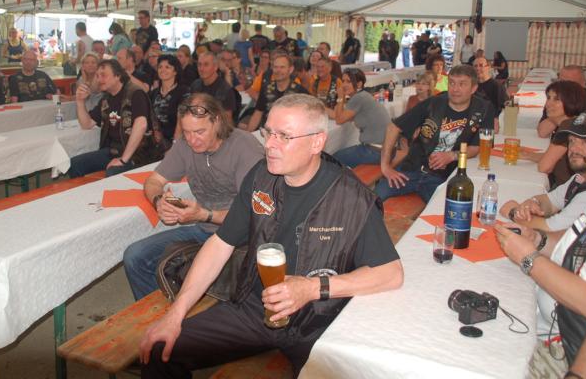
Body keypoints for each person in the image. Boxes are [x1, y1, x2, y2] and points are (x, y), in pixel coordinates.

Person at [139, 94, 404, 377]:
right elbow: (220, 243)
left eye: (284, 136)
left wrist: (311, 288)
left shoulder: (351, 197)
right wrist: (175, 314)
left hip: (318, 321)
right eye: (268, 133)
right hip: (256, 308)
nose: (269, 145)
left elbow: (391, 274)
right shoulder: (261, 177)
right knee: (159, 351)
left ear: (317, 142)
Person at [494, 99, 586, 379]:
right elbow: (577, 244)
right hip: (546, 323)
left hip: (564, 347)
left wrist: (528, 258)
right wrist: (537, 239)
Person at [123, 93, 264, 300]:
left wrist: (204, 214)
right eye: (186, 132)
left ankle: (182, 308)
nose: (191, 140)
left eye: (199, 132)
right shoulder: (184, 145)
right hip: (205, 228)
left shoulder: (244, 147)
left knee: (197, 273)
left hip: (242, 235)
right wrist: (158, 201)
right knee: (135, 256)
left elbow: (253, 214)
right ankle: (161, 310)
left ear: (217, 121)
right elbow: (153, 182)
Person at [375, 65, 494, 203]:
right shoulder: (433, 103)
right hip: (411, 170)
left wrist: (452, 156)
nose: (455, 89)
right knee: (374, 198)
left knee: (446, 208)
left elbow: (476, 147)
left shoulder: (484, 109)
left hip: (442, 178)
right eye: (452, 83)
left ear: (473, 88)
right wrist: (385, 167)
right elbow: (393, 127)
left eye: (462, 84)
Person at [500, 113, 586, 231]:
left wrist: (513, 212)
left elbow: (552, 228)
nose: (573, 148)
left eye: (584, 142)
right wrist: (532, 203)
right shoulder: (580, 178)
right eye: (571, 141)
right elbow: (551, 202)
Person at [70, 59, 162, 177]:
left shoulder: (135, 93)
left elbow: (141, 125)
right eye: (97, 76)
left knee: (112, 172)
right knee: (75, 164)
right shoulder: (106, 99)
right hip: (113, 151)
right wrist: (80, 101)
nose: (99, 79)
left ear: (117, 76)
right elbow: (87, 124)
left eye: (103, 75)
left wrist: (123, 160)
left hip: (139, 153)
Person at [525, 80, 586, 188]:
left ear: (571, 102)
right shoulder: (574, 122)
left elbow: (544, 167)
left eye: (556, 99)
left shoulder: (569, 127)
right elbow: (553, 156)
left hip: (568, 189)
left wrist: (526, 156)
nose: (548, 104)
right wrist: (526, 155)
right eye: (548, 98)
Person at [330, 69, 391, 168]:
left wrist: (340, 97)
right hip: (385, 150)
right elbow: (339, 115)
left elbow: (339, 120)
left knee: (332, 159)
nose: (344, 85)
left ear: (359, 84)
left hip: (377, 152)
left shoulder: (358, 98)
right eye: (343, 81)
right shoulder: (363, 95)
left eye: (349, 81)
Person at [538, 64, 586, 138]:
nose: (564, 88)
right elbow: (542, 132)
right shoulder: (555, 100)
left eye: (571, 84)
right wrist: (557, 117)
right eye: (562, 82)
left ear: (584, 83)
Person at [244, 52, 308, 132]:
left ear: (290, 70)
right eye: (275, 67)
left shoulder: (300, 92)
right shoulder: (266, 89)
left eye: (282, 67)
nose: (278, 70)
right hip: (267, 132)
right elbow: (258, 113)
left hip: (291, 134)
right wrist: (248, 133)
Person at [150, 54, 189, 145]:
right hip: (154, 141)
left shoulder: (183, 92)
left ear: (175, 71)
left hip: (176, 141)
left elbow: (182, 121)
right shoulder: (153, 93)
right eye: (160, 67)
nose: (162, 70)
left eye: (167, 67)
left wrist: (174, 146)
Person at [189, 51, 237, 121]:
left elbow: (227, 121)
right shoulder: (195, 85)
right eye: (199, 64)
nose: (201, 68)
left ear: (215, 67)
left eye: (206, 65)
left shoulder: (225, 90)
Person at [473, 56, 507, 130]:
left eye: (481, 65)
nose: (478, 68)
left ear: (488, 67)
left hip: (491, 124)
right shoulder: (471, 86)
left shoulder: (497, 86)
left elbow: (503, 107)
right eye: (475, 66)